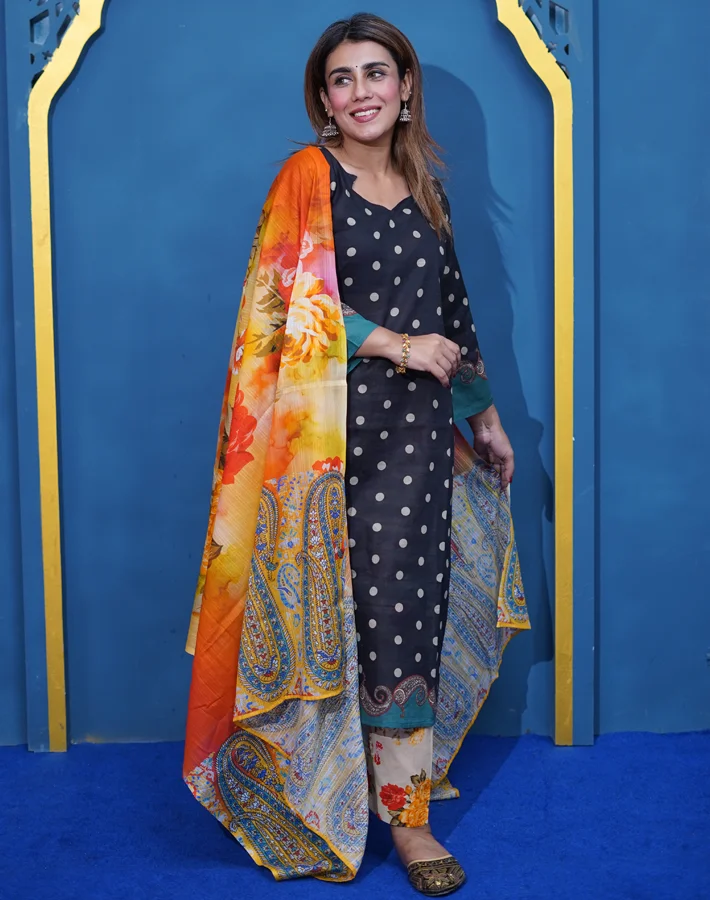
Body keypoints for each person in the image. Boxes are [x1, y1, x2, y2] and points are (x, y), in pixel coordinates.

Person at [183, 13, 530, 896]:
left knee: (405, 613)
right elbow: (278, 300)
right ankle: (316, 788)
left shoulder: (424, 188)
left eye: (377, 73)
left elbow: (453, 312)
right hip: (323, 446)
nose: (361, 91)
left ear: (405, 87)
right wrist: (397, 346)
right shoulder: (307, 178)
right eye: (342, 78)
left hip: (417, 440)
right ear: (324, 99)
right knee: (328, 616)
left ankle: (407, 819)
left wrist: (485, 418)